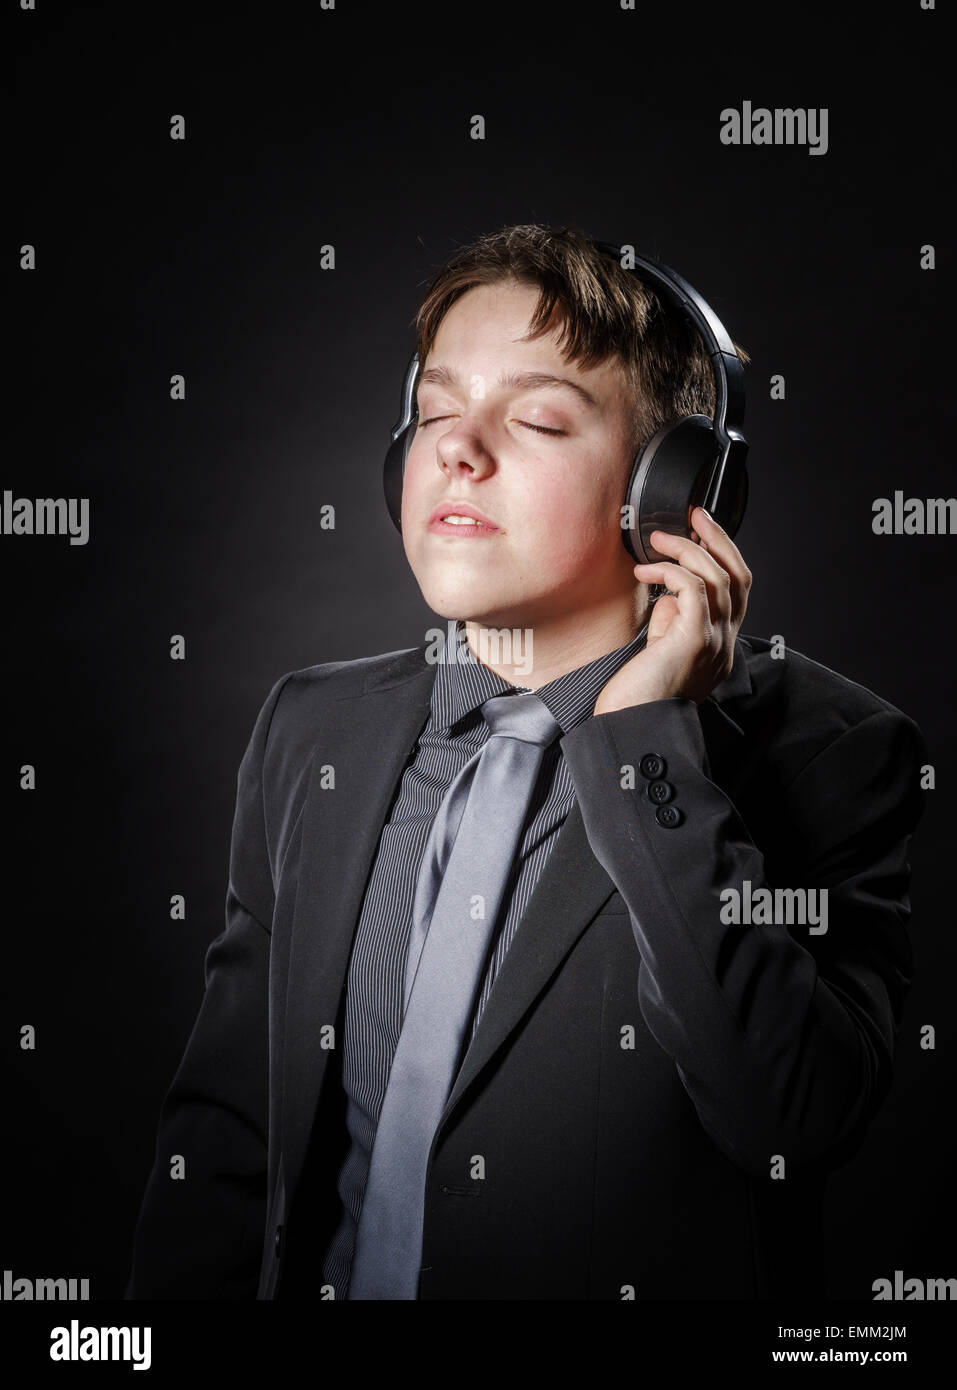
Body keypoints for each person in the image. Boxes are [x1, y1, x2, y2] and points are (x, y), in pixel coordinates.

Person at [125, 224, 926, 1301]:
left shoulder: (837, 753)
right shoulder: (313, 729)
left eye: (538, 417)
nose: (458, 448)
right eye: (435, 412)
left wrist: (647, 749)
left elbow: (792, 1116)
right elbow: (228, 1132)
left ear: (672, 489)